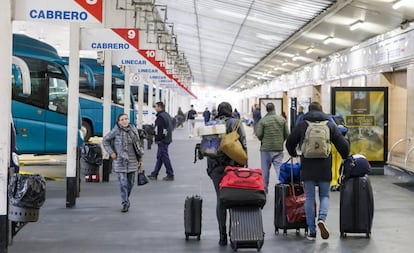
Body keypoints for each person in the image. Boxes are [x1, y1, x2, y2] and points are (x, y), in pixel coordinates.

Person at [286, 102, 349, 241]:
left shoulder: (303, 124)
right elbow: (343, 145)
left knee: (309, 197)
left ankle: (312, 231)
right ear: (322, 110)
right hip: (324, 165)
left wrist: (294, 153)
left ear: (309, 111)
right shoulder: (329, 124)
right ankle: (321, 218)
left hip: (307, 164)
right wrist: (346, 156)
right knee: (324, 196)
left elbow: (290, 142)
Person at [206, 102, 247, 246]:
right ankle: (234, 234)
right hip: (234, 167)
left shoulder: (212, 124)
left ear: (218, 111)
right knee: (234, 198)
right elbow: (243, 144)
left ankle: (222, 235)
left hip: (215, 168)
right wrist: (244, 164)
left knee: (221, 199)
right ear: (230, 111)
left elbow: (207, 148)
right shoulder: (236, 123)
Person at [102, 113, 143, 212]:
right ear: (118, 121)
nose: (124, 121)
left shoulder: (133, 130)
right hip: (120, 160)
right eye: (122, 119)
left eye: (126, 119)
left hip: (132, 160)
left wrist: (140, 160)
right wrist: (111, 153)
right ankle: (125, 202)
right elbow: (105, 141)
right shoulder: (116, 131)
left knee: (131, 183)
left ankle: (126, 198)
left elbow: (138, 145)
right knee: (123, 183)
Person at [255, 103, 289, 193]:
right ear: (274, 109)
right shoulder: (282, 119)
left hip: (266, 149)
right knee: (279, 169)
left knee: (265, 171)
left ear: (266, 110)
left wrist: (263, 140)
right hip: (278, 148)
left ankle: (264, 189)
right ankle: (282, 188)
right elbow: (287, 133)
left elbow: (259, 134)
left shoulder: (263, 121)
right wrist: (281, 140)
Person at [148, 102, 175, 181]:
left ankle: (170, 174)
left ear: (159, 107)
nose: (155, 108)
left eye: (155, 106)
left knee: (164, 157)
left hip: (163, 140)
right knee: (160, 157)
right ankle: (154, 174)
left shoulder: (160, 117)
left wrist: (158, 139)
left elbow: (159, 129)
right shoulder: (166, 115)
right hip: (167, 138)